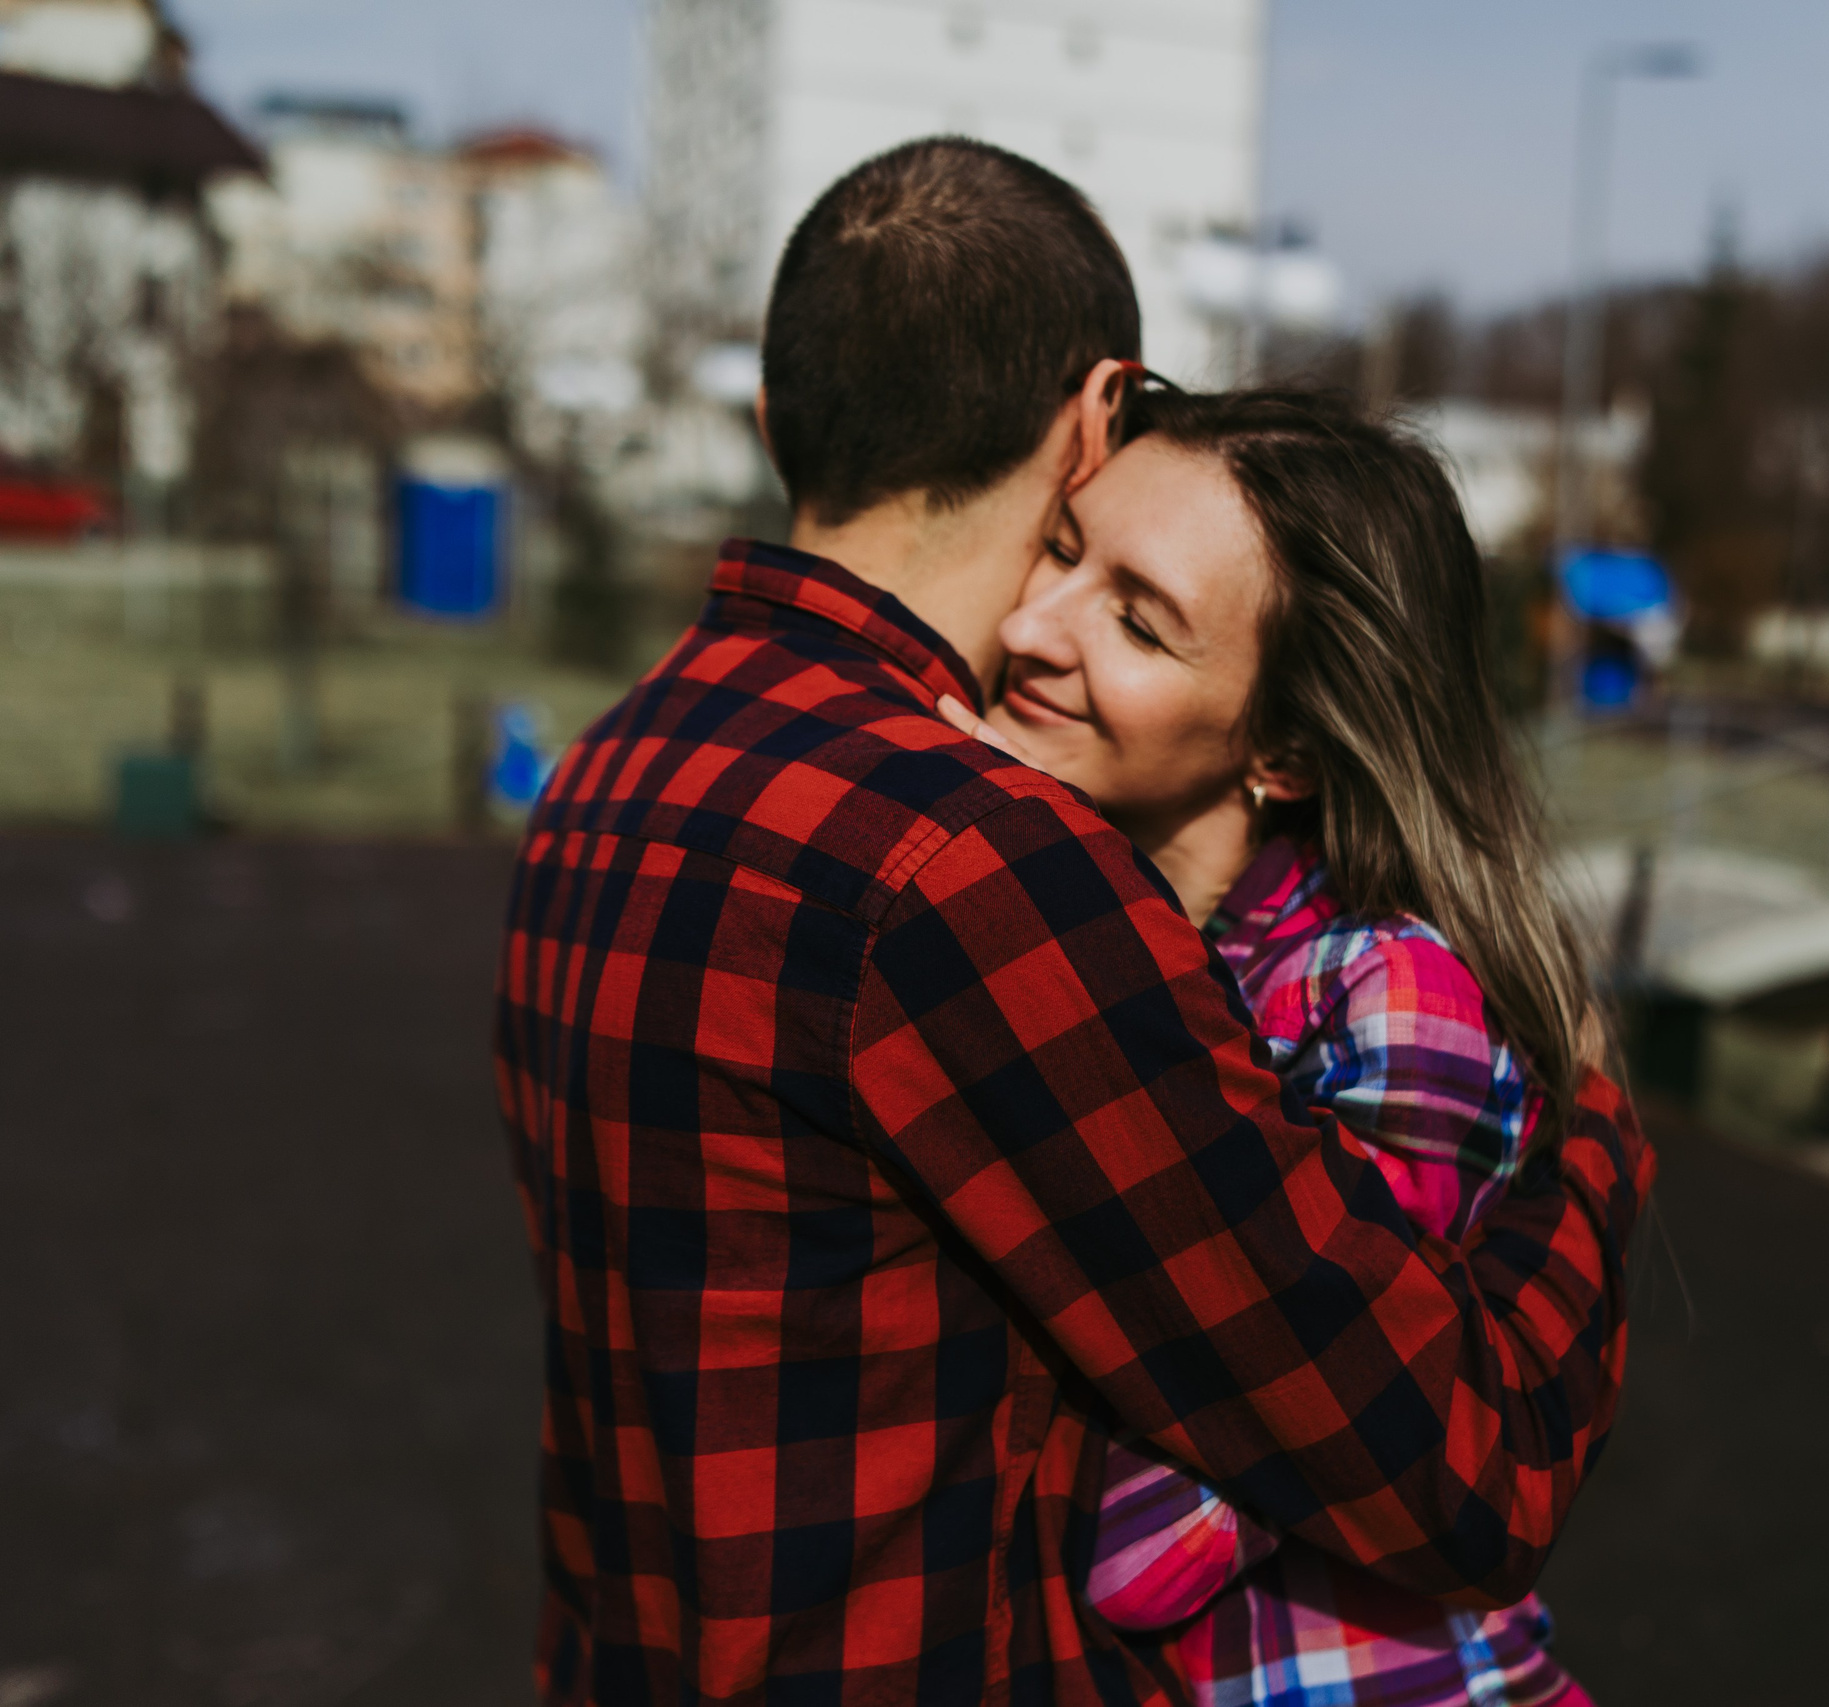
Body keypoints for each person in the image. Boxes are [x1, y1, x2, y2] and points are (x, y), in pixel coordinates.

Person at [494, 137, 1651, 1707]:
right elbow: (1455, 1475)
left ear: (776, 421)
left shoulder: (608, 772)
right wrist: (1589, 1125)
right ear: (1100, 414)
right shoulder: (968, 860)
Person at [939, 387, 1600, 1706]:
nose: (1029, 626)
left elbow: (1151, 1556)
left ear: (1283, 749)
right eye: (1062, 550)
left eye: (1137, 620)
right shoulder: (1182, 948)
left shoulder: (1392, 1000)